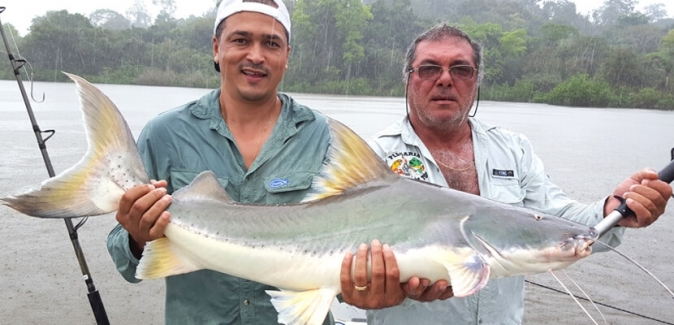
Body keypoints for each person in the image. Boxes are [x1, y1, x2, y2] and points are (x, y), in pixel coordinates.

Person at [344, 23, 673, 324]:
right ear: (409, 77)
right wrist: (355, 290)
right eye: (430, 68)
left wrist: (611, 210)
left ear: (476, 81)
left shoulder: (513, 150)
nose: (445, 79)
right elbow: (332, 252)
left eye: (461, 69)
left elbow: (556, 216)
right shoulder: (373, 160)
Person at [107, 0, 336, 323]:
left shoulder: (327, 138)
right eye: (241, 40)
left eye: (271, 43)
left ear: (287, 56)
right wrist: (137, 235)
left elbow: (345, 255)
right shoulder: (165, 134)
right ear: (217, 48)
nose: (256, 56)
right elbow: (125, 262)